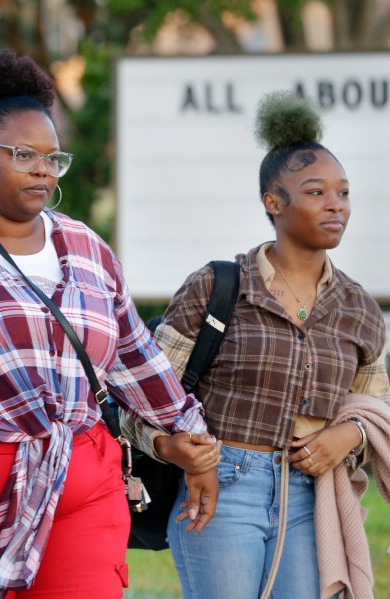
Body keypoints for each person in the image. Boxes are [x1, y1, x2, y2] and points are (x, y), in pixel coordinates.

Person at [0, 49, 221, 599]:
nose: (43, 170)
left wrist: (190, 437)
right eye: (24, 155)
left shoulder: (85, 246)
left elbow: (134, 356)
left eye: (52, 158)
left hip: (80, 474)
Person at [125, 91, 390, 598]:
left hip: (313, 498)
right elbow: (144, 395)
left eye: (344, 192)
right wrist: (173, 449)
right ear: (274, 202)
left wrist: (348, 437)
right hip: (220, 487)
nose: (336, 204)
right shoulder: (218, 286)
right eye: (316, 192)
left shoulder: (359, 308)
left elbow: (376, 408)